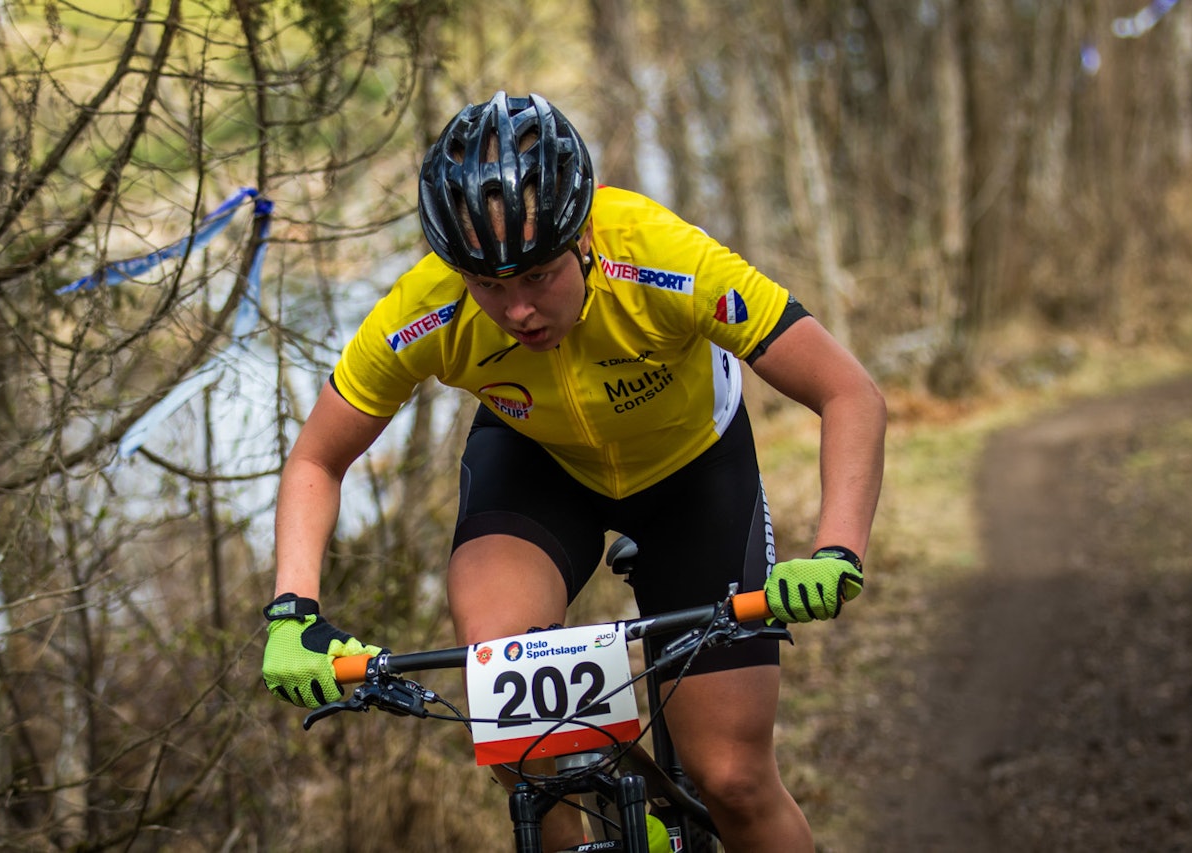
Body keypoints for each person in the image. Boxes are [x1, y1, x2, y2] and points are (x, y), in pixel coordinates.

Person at [261, 91, 886, 852]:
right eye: (488, 285)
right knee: (514, 724)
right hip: (540, 464)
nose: (517, 309)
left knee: (734, 781)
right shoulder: (423, 308)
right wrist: (293, 612)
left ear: (583, 235)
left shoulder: (663, 256)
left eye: (537, 275)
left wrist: (836, 548)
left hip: (693, 474)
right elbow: (317, 458)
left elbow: (849, 391)